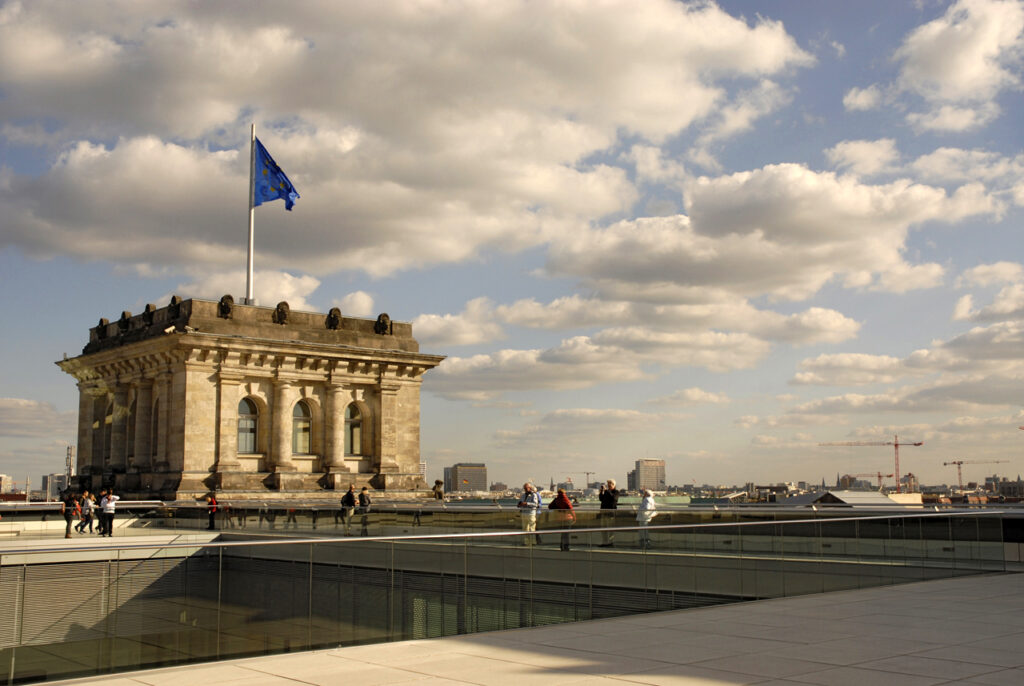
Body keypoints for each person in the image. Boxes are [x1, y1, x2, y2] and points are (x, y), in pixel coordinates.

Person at [598, 479, 620, 547]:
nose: (608, 485)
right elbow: (601, 499)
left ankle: (610, 542)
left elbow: (613, 498)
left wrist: (607, 491)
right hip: (603, 513)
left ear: (614, 485)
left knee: (610, 529)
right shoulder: (606, 492)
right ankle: (604, 542)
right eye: (608, 484)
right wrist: (601, 491)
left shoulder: (616, 492)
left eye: (610, 484)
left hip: (611, 514)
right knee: (603, 529)